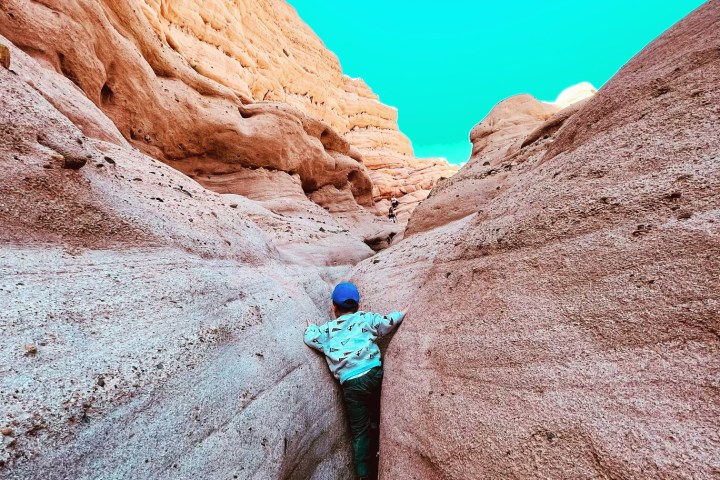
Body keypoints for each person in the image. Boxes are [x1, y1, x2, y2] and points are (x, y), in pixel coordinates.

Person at [304, 282, 406, 480]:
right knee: (380, 411)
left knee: (359, 431)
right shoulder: (366, 318)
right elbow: (387, 322)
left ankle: (363, 474)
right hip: (374, 374)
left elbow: (311, 338)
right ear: (358, 306)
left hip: (352, 384)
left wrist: (310, 327)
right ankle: (378, 434)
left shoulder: (327, 330)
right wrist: (402, 312)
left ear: (334, 307)